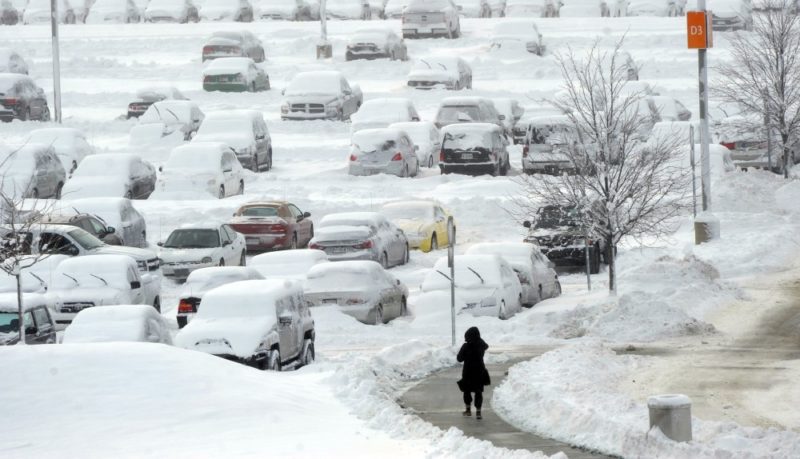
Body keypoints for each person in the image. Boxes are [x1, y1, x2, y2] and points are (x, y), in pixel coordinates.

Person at [456, 326, 490, 420]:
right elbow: (485, 345)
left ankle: (468, 410)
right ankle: (478, 412)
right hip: (480, 371)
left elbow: (459, 359)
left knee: (467, 391)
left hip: (468, 372)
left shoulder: (466, 346)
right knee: (478, 391)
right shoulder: (481, 345)